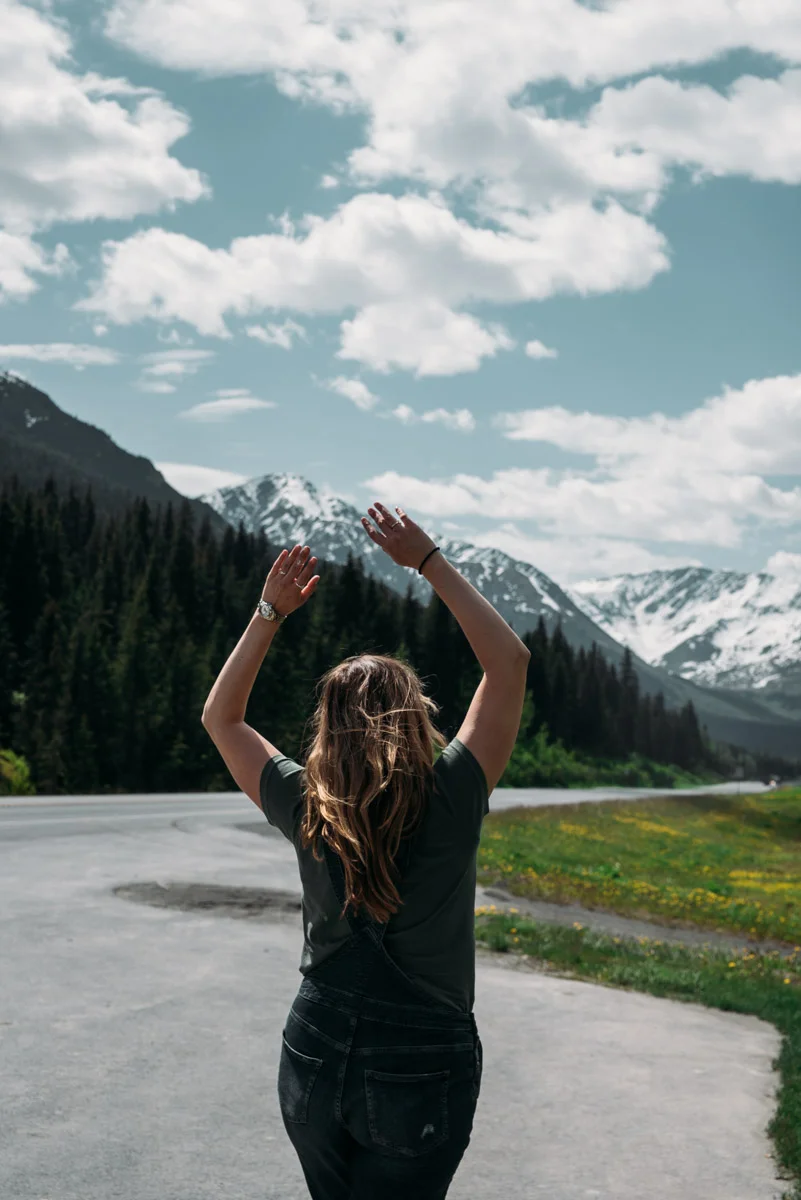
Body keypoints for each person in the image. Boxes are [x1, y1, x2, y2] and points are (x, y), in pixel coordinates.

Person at [201, 500, 531, 1199]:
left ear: (327, 724)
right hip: (422, 1056)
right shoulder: (456, 788)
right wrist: (428, 561)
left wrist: (270, 612)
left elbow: (219, 717)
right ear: (416, 714)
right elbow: (508, 663)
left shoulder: (303, 799)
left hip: (314, 1045)